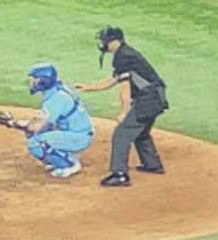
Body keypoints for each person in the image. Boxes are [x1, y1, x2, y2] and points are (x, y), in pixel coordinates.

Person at [75, 27, 167, 187]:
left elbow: (124, 86)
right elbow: (114, 79)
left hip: (148, 99)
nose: (103, 44)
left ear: (114, 41)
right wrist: (88, 87)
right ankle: (152, 164)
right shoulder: (125, 53)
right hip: (155, 97)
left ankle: (120, 175)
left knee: (122, 133)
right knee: (140, 132)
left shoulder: (123, 56)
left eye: (106, 40)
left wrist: (124, 112)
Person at [12, 63, 94, 179]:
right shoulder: (57, 88)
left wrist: (14, 124)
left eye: (36, 78)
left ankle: (70, 164)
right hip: (75, 131)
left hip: (79, 137)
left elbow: (36, 126)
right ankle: (57, 159)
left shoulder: (55, 99)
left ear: (44, 80)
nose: (33, 81)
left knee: (36, 143)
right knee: (36, 133)